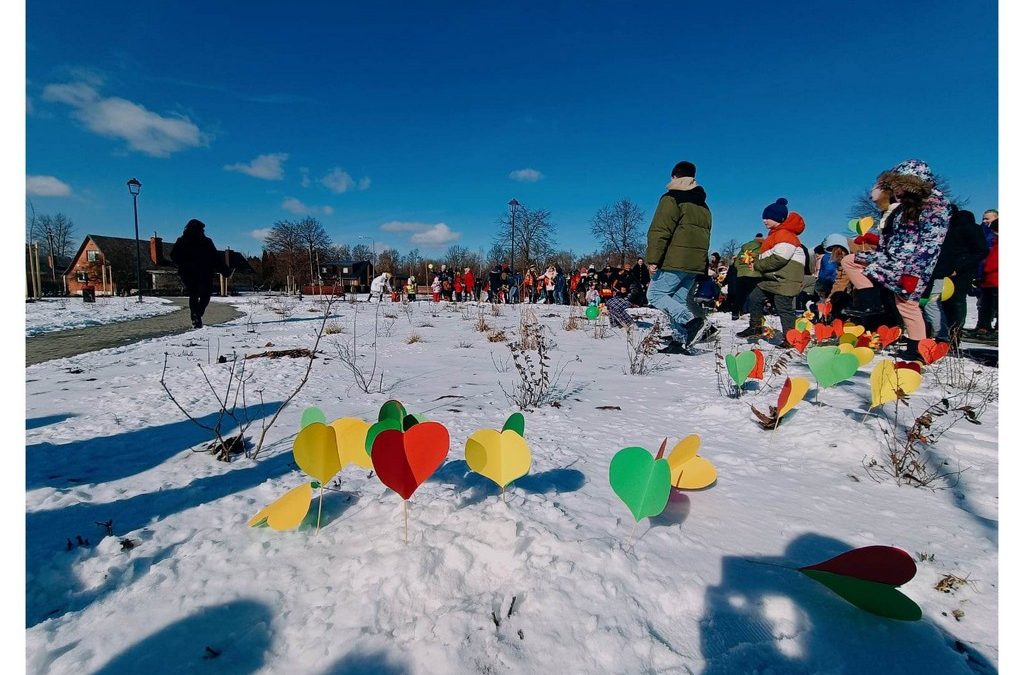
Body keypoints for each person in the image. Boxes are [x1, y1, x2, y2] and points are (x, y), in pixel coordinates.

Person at [840, 159, 953, 361]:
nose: (896, 190)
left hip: (912, 266)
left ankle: (917, 349)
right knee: (850, 260)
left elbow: (930, 243)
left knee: (907, 305)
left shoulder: (936, 206)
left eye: (900, 186)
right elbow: (896, 236)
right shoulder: (905, 207)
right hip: (892, 258)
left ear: (912, 184)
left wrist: (912, 272)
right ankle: (870, 303)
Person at [645, 160, 713, 353]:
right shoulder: (703, 206)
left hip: (675, 259)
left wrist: (653, 259)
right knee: (677, 299)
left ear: (674, 176)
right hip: (694, 262)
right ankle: (678, 341)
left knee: (655, 294)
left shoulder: (671, 198)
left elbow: (660, 230)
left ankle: (692, 322)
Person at [737, 198, 806, 340]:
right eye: (764, 218)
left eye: (767, 218)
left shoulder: (785, 234)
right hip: (774, 278)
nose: (764, 220)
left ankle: (790, 338)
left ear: (778, 218)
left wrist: (757, 265)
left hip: (785, 280)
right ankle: (755, 327)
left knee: (784, 308)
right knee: (755, 297)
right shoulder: (775, 235)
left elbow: (779, 258)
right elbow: (770, 255)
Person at [929, 208, 988, 347]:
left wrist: (959, 267)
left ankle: (954, 338)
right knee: (939, 303)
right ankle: (941, 336)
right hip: (942, 270)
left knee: (956, 302)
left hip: (961, 272)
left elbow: (981, 251)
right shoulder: (941, 227)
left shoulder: (968, 227)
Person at [169, 218, 231, 328]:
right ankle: (197, 314)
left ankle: (196, 315)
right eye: (202, 229)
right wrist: (225, 270)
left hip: (193, 273)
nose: (203, 231)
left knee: (196, 294)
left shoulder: (185, 241)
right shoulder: (202, 241)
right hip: (200, 272)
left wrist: (182, 263)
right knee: (203, 295)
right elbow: (215, 258)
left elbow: (174, 256)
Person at [970, 218, 998, 338]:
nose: (994, 234)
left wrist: (987, 269)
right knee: (985, 306)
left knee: (996, 306)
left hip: (995, 279)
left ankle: (996, 329)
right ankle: (984, 327)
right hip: (988, 280)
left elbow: (993, 262)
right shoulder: (994, 243)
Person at [730, 233, 763, 320]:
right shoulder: (762, 247)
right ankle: (753, 312)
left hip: (742, 274)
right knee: (754, 295)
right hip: (755, 273)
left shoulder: (744, 248)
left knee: (740, 294)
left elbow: (736, 262)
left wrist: (741, 269)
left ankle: (735, 312)